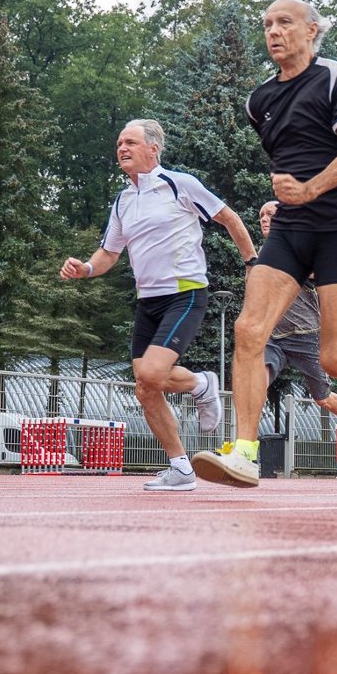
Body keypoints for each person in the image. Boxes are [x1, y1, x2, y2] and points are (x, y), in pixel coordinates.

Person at [193, 0, 337, 489]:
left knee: (336, 359)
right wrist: (289, 202)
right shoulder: (258, 101)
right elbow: (289, 157)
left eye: (285, 23)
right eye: (267, 24)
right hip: (292, 228)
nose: (273, 32)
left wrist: (310, 189)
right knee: (250, 331)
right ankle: (246, 450)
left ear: (312, 30)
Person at [62, 120, 256, 492]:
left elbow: (227, 217)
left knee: (151, 374)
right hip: (147, 301)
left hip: (185, 293)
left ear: (153, 149)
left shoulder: (179, 184)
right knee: (145, 386)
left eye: (130, 142)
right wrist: (85, 269)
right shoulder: (122, 201)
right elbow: (109, 253)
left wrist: (251, 263)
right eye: (119, 143)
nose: (122, 148)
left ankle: (201, 384)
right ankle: (181, 467)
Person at [255, 201, 337, 460]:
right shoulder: (263, 253)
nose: (264, 219)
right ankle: (244, 451)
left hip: (305, 334)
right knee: (257, 382)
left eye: (270, 214)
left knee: (322, 398)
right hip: (272, 335)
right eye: (261, 215)